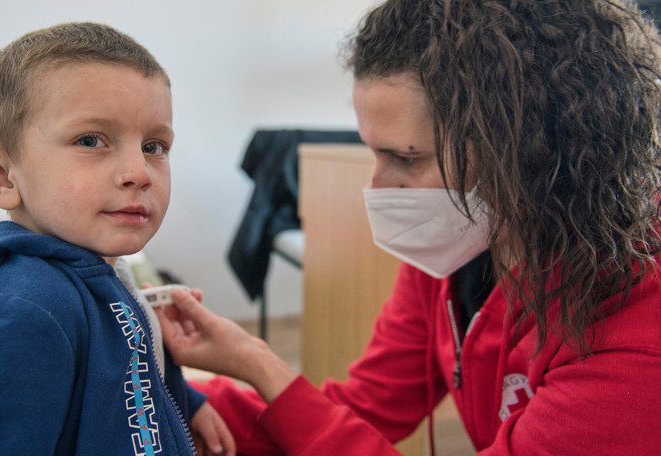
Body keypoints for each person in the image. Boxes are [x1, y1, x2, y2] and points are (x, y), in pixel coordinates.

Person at [155, 1, 661, 454]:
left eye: (406, 158)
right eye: (374, 153)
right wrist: (175, 390)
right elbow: (362, 411)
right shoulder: (460, 245)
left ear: (527, 148)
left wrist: (261, 367)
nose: (377, 187)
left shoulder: (636, 332)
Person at [0, 22, 234, 456]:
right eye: (91, 140)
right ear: (2, 177)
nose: (139, 172)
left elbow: (122, 356)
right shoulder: (17, 317)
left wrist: (183, 402)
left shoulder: (96, 265)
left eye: (154, 146)